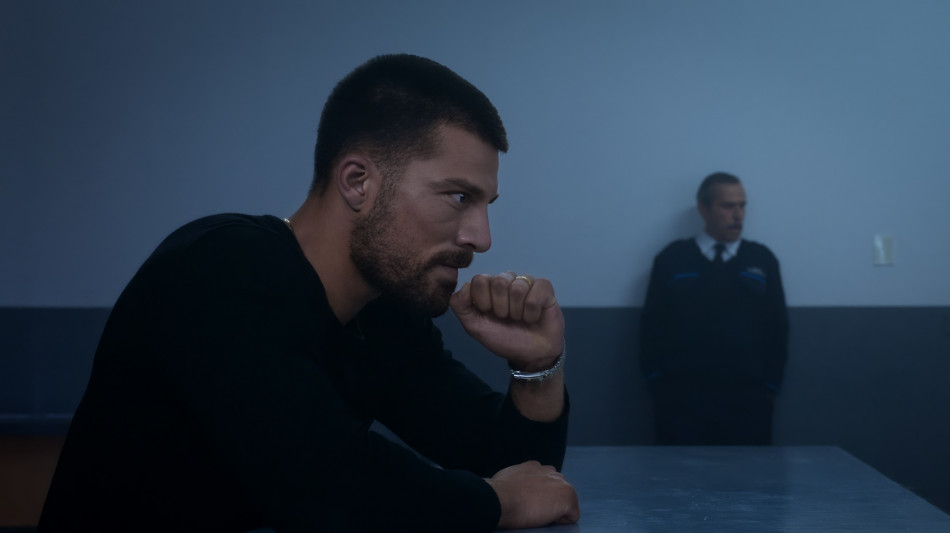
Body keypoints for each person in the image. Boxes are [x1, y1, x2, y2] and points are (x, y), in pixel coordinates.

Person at [39, 54, 579, 532]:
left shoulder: (382, 312)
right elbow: (329, 487)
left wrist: (537, 367)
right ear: (358, 182)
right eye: (458, 197)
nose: (481, 238)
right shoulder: (219, 267)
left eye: (486, 205)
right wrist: (497, 503)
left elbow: (521, 473)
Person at [639, 172, 788, 445]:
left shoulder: (762, 259)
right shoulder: (673, 259)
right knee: (679, 472)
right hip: (683, 402)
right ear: (704, 209)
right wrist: (658, 386)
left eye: (742, 205)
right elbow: (651, 328)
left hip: (748, 403)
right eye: (728, 206)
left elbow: (778, 328)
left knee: (750, 472)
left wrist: (770, 388)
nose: (738, 215)